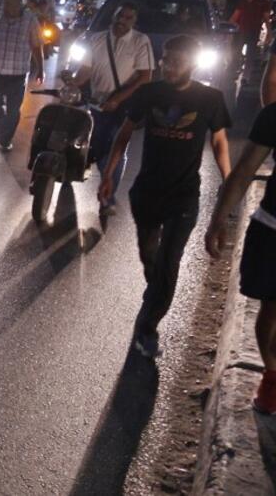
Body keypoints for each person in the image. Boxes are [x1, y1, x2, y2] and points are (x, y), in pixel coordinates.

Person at [99, 35, 231, 358]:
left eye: (176, 62)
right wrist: (108, 174)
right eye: (165, 60)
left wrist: (230, 183)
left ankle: (148, 328)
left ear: (192, 64)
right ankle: (155, 290)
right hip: (147, 192)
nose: (168, 67)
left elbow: (219, 143)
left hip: (183, 196)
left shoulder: (210, 98)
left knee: (169, 262)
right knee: (150, 256)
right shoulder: (150, 93)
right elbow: (125, 132)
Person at [207, 102, 276, 412]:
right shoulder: (273, 114)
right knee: (271, 312)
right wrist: (218, 219)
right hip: (273, 229)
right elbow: (245, 170)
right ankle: (272, 376)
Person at [65, 3, 153, 214]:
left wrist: (117, 99)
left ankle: (107, 198)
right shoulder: (96, 39)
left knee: (114, 150)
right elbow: (86, 70)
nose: (123, 20)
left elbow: (145, 76)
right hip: (97, 104)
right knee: (94, 144)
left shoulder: (141, 41)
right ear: (114, 16)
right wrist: (72, 83)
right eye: (120, 16)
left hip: (124, 106)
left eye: (128, 17)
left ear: (134, 21)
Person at [0, 0, 43, 150]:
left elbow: (36, 46)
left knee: (14, 110)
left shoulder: (30, 20)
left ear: (20, 5)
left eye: (12, 4)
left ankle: (6, 140)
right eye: (6, 4)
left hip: (18, 74)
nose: (9, 8)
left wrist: (40, 68)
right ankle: (2, 119)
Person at [229, 0, 272, 82]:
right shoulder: (243, 1)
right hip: (241, 31)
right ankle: (235, 71)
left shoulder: (262, 1)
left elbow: (266, 18)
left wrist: (269, 33)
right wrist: (231, 27)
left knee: (250, 54)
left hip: (254, 31)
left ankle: (246, 76)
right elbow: (235, 16)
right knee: (236, 52)